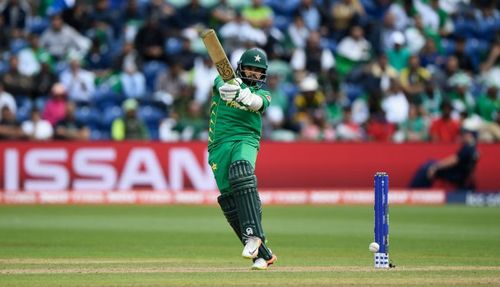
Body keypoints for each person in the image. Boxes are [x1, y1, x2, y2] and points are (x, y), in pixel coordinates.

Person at [208, 48, 277, 270]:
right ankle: (264, 255)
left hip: (246, 138)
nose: (254, 74)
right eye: (250, 69)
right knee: (229, 200)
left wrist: (247, 97)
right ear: (240, 67)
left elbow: (259, 103)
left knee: (241, 171)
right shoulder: (223, 79)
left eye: (259, 71)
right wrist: (230, 89)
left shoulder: (265, 94)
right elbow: (220, 84)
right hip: (219, 143)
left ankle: (253, 235)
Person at [409, 118, 480, 190]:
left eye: (464, 132)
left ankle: (413, 191)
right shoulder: (474, 148)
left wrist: (436, 167)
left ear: (469, 134)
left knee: (427, 167)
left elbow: (454, 160)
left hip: (455, 174)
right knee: (430, 163)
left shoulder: (468, 148)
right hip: (459, 173)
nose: (462, 135)